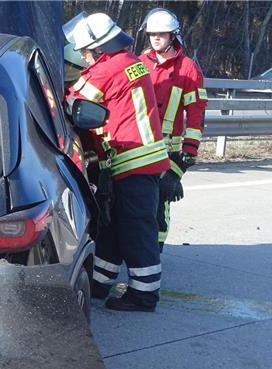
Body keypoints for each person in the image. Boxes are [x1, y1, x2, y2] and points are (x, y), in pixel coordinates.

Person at [64, 12, 170, 312]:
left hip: (131, 161)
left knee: (136, 231)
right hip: (137, 161)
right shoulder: (131, 62)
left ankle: (144, 295)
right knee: (113, 227)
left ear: (98, 48)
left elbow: (71, 104)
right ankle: (100, 283)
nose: (83, 57)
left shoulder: (106, 70)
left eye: (85, 51)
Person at [138, 8, 208, 250]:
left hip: (167, 153)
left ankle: (153, 255)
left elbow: (197, 114)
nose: (156, 38)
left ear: (173, 36)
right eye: (152, 34)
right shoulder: (139, 64)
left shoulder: (188, 68)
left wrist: (180, 167)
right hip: (136, 149)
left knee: (159, 206)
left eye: (162, 34)